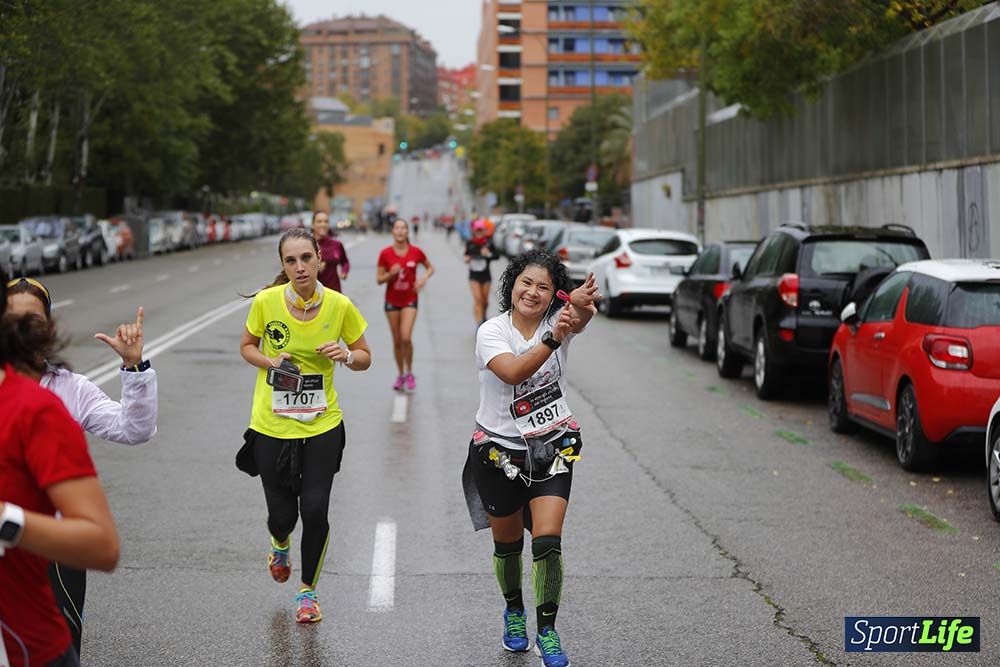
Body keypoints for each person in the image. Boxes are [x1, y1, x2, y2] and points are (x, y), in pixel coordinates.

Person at [5, 277, 157, 655]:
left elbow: (134, 429)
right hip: (6, 558)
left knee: (58, 645)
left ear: (50, 327)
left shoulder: (69, 390)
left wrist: (134, 369)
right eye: (13, 320)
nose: (24, 331)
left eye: (34, 322)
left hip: (56, 551)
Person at [463, 251, 599, 667]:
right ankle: (515, 612)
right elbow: (513, 372)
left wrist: (579, 305)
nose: (533, 292)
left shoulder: (558, 323)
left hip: (552, 446)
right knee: (508, 545)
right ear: (512, 284)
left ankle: (548, 631)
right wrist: (553, 337)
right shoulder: (492, 330)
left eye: (543, 286)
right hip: (498, 451)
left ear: (551, 294)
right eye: (526, 282)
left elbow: (581, 317)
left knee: (547, 541)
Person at [240, 228, 371, 623]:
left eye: (306, 258)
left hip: (321, 423)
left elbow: (366, 356)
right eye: (290, 261)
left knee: (315, 511)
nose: (299, 267)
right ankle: (280, 542)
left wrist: (347, 354)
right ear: (283, 266)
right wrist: (270, 362)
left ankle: (308, 592)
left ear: (320, 260)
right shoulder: (266, 303)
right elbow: (247, 346)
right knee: (284, 516)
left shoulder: (339, 305)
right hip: (271, 425)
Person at [376, 219, 434, 391]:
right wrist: (389, 275)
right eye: (397, 228)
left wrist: (422, 279)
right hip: (392, 301)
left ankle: (410, 372)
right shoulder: (385, 253)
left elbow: (430, 268)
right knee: (396, 341)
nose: (400, 231)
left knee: (406, 338)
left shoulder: (416, 252)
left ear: (408, 232)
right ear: (392, 232)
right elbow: (379, 280)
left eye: (403, 228)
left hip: (410, 299)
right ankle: (400, 374)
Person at [464, 220, 497, 327]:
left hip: (486, 275)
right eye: (477, 230)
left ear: (483, 231)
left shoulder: (488, 243)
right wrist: (467, 258)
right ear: (474, 231)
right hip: (474, 275)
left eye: (480, 230)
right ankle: (479, 324)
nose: (479, 232)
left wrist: (488, 254)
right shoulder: (470, 242)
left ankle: (483, 316)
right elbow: (465, 256)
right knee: (478, 299)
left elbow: (497, 256)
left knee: (485, 301)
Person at [311, 211, 350, 293]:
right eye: (319, 221)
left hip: (334, 291)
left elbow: (345, 261)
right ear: (313, 225)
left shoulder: (336, 244)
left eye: (326, 221)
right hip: (313, 293)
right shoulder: (307, 244)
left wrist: (344, 271)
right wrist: (316, 269)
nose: (323, 224)